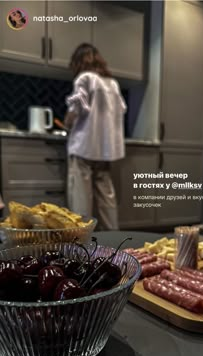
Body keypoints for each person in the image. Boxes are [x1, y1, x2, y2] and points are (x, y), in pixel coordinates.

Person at [64, 43, 126, 230]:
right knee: (107, 203)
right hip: (105, 152)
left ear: (77, 63)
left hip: (83, 148)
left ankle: (82, 248)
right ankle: (114, 247)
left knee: (81, 203)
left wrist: (68, 122)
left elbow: (77, 108)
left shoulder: (84, 78)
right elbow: (122, 109)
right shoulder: (112, 83)